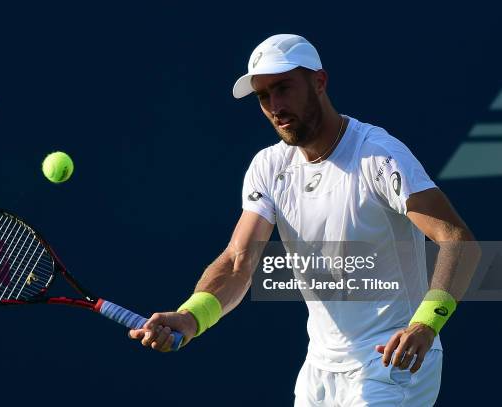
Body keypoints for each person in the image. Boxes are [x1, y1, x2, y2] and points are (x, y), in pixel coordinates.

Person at [128, 34, 480, 406]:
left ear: (319, 82)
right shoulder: (269, 167)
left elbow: (458, 240)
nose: (274, 106)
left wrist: (426, 324)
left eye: (283, 88)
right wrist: (190, 316)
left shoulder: (378, 157)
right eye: (263, 96)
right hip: (319, 373)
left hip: (394, 363)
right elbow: (237, 262)